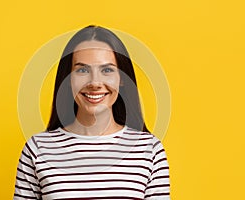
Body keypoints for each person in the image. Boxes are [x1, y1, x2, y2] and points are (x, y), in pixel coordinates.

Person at [14, 25, 170, 200]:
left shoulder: (150, 150)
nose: (95, 82)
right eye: (82, 70)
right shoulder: (37, 149)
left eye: (107, 70)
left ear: (122, 79)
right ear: (67, 79)